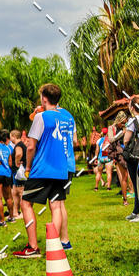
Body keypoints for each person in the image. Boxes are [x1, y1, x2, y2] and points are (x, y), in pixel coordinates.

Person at [13, 83, 69, 258]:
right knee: (56, 206)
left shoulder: (41, 117)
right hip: (61, 169)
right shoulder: (66, 118)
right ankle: (54, 247)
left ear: (44, 98)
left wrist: (28, 167)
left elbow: (31, 146)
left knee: (25, 203)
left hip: (42, 169)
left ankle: (32, 247)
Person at [56, 102, 77, 251]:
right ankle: (63, 239)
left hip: (56, 164)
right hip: (69, 162)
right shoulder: (69, 116)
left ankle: (62, 240)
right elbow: (74, 141)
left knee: (57, 203)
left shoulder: (50, 115)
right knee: (60, 202)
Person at [123, 97, 139, 222]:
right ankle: (136, 210)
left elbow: (126, 139)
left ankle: (137, 212)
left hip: (135, 156)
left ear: (133, 107)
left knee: (137, 184)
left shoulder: (133, 121)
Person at [10, 129, 27, 219]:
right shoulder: (21, 145)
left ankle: (23, 213)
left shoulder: (19, 145)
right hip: (17, 172)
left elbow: (19, 154)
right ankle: (15, 212)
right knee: (15, 192)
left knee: (20, 192)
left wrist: (16, 163)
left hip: (19, 172)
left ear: (14, 136)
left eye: (10, 136)